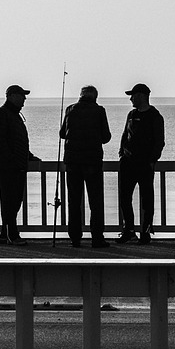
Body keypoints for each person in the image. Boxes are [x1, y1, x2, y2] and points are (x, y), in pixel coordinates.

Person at [59, 85, 111, 248]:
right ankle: (97, 237)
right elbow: (106, 137)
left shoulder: (70, 109)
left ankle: (75, 237)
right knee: (95, 201)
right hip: (92, 162)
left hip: (73, 162)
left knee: (74, 201)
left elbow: (62, 134)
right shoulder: (99, 111)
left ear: (81, 96)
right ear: (95, 97)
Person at [116, 83, 165, 245]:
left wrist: (152, 161)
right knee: (124, 198)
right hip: (127, 163)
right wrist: (122, 153)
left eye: (133, 95)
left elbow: (159, 142)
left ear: (143, 96)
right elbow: (125, 135)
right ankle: (128, 230)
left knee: (146, 200)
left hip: (144, 164)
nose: (131, 98)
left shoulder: (155, 116)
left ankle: (145, 231)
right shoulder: (131, 114)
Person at [0, 85, 40, 244]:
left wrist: (28, 156)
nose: (24, 99)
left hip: (17, 164)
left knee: (14, 200)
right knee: (10, 201)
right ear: (11, 96)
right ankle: (13, 234)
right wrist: (12, 159)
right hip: (8, 167)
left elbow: (18, 142)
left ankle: (4, 234)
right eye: (21, 95)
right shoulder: (1, 114)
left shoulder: (14, 115)